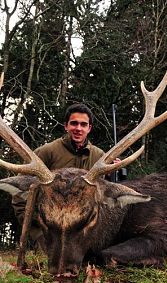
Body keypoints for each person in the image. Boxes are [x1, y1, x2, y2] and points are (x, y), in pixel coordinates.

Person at [12, 103, 105, 250]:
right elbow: (19, 194)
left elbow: (101, 200)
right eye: (74, 123)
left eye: (83, 124)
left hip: (81, 236)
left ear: (89, 128)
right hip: (50, 233)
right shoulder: (46, 152)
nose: (78, 128)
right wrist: (38, 234)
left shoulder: (99, 157)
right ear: (66, 126)